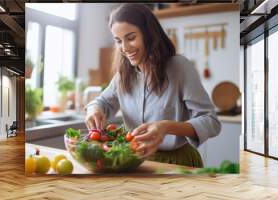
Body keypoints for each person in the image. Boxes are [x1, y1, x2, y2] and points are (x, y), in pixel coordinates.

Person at [85, 3, 221, 168]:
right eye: (118, 41)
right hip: (135, 161)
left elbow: (211, 121)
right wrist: (94, 110)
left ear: (149, 34)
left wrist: (165, 126)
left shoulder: (179, 67)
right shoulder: (123, 75)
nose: (125, 48)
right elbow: (102, 102)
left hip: (177, 163)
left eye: (131, 38)